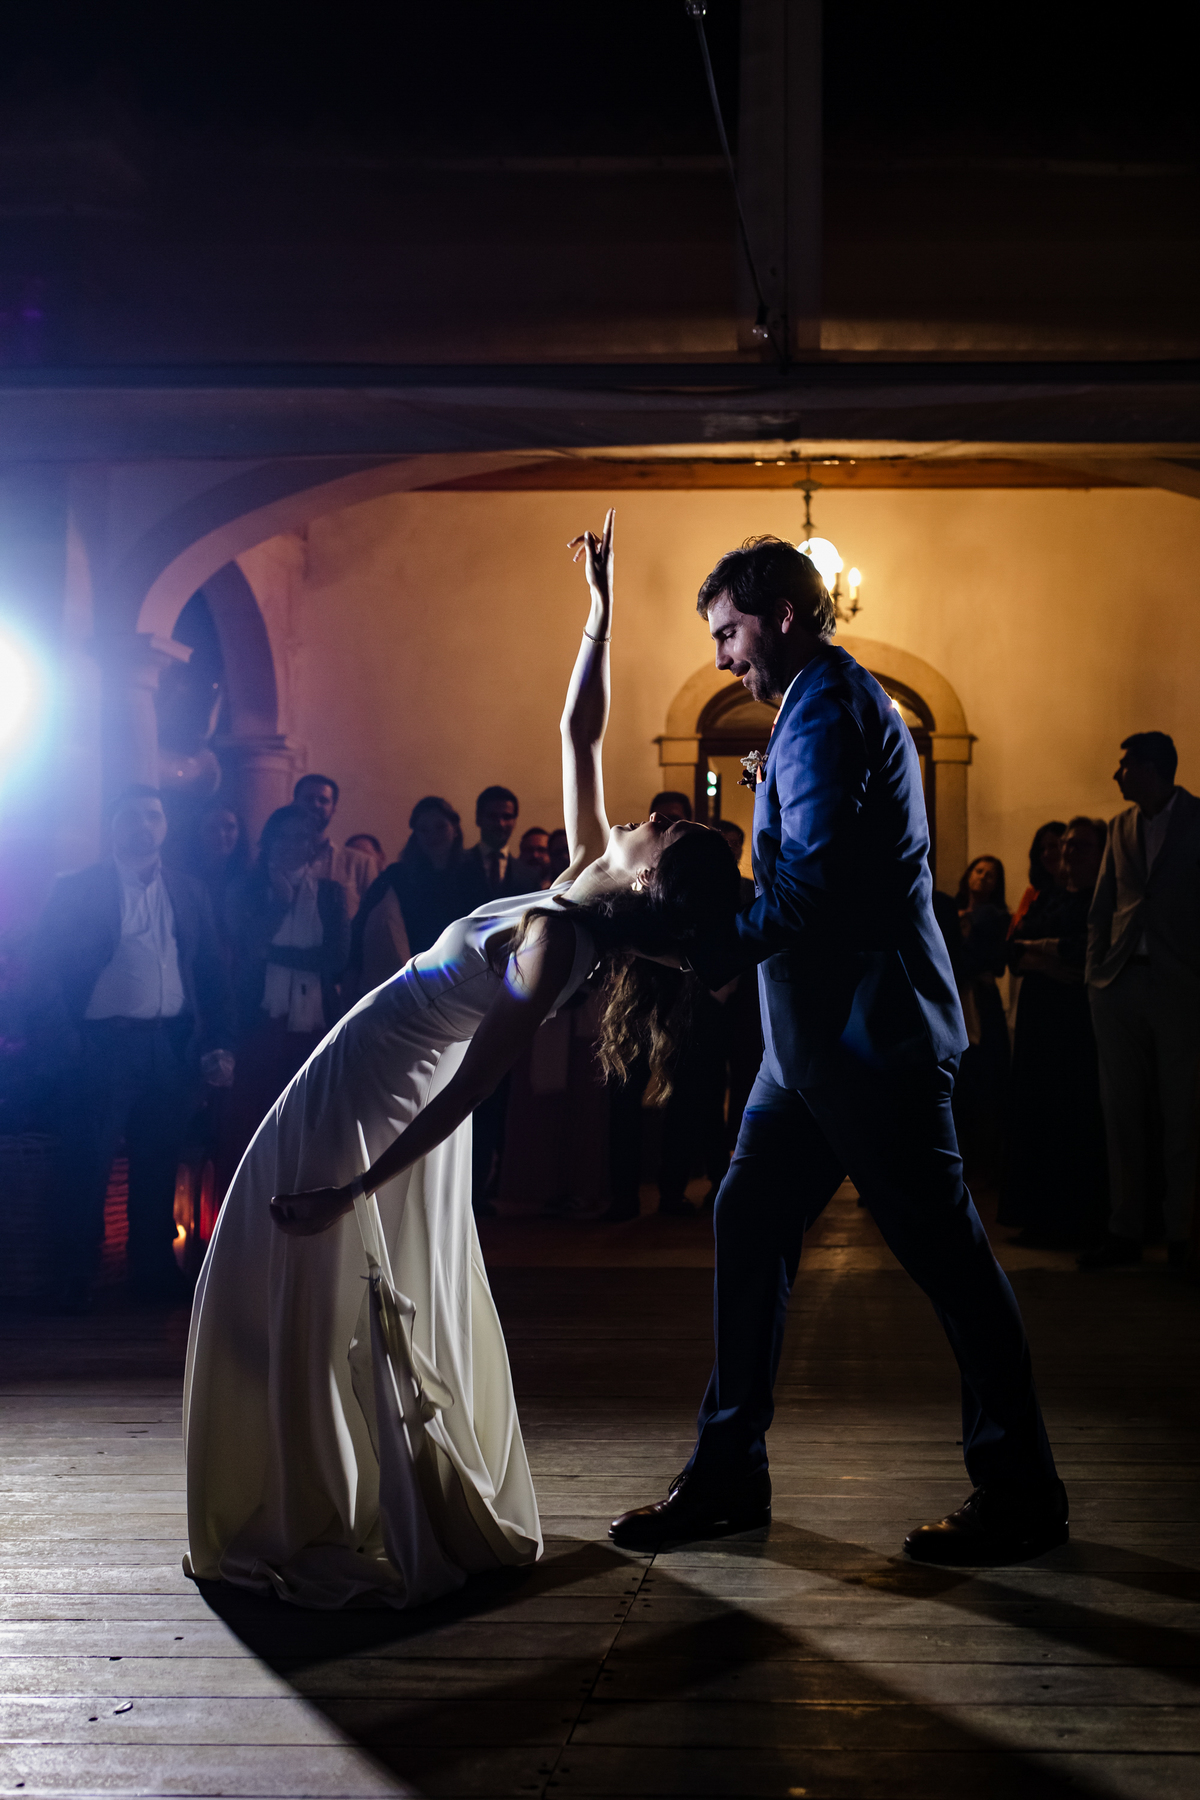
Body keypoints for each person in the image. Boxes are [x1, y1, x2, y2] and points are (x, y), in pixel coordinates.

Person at [183, 510, 742, 1610]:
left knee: (302, 1274)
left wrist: (357, 1183)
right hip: (373, 1065)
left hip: (380, 1089)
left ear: (649, 879)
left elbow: (479, 1082)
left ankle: (322, 1500)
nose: (651, 815)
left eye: (666, 830)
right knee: (291, 1281)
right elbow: (580, 732)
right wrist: (600, 612)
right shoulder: (582, 885)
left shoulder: (558, 941)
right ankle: (308, 1486)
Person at [609, 534, 1065, 1566]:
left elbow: (808, 893)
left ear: (782, 615)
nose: (722, 656)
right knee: (747, 1217)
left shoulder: (823, 710)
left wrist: (697, 947)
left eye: (729, 632)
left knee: (949, 1260)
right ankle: (728, 1474)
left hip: (869, 1040)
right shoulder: (821, 705)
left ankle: (1021, 1491)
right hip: (813, 1047)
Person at [31, 786, 235, 1310]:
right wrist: (67, 1042)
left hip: (170, 1045)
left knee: (159, 1161)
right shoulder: (79, 888)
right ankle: (74, 1277)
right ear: (113, 825)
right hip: (101, 1044)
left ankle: (152, 1272)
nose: (144, 825)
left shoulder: (188, 890)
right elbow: (44, 969)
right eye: (131, 816)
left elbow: (211, 973)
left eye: (153, 816)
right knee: (88, 1160)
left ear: (166, 825)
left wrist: (217, 1043)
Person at [1081, 732, 1200, 1271]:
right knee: (1121, 1113)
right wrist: (1095, 974)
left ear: (1152, 769)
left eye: (1125, 765)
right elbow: (1104, 905)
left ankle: (1183, 1234)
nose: (1117, 774)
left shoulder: (1196, 818)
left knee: (1183, 1115)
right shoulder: (1120, 826)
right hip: (1120, 982)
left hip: (1181, 986)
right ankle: (1124, 1229)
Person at [217, 806, 351, 1193]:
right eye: (285, 837)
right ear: (269, 842)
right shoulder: (244, 889)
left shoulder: (330, 893)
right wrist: (279, 902)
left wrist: (273, 954)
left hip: (314, 1024)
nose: (294, 845)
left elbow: (335, 959)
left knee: (309, 1124)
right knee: (252, 1121)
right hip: (257, 1021)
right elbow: (247, 947)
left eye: (302, 838)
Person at [1000, 817, 1108, 1249]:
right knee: (1036, 1112)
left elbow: (1084, 952)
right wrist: (1046, 956)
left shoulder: (1102, 898)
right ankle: (1039, 1216)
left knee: (1073, 1114)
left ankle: (1076, 1218)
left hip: (1075, 1021)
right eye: (1065, 846)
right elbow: (1010, 950)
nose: (1066, 853)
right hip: (1040, 1018)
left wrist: (1037, 952)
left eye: (1079, 846)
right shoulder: (1049, 897)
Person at [349, 797, 471, 997]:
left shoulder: (473, 876)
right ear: (416, 835)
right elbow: (360, 929)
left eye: (440, 827)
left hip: (461, 982)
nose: (433, 835)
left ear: (455, 829)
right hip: (408, 986)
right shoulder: (397, 877)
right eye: (424, 830)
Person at [949, 856, 1011, 1175]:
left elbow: (993, 961)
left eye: (991, 875)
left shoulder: (997, 916)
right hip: (954, 998)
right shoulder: (949, 909)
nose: (983, 877)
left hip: (980, 1003)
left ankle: (983, 1164)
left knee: (983, 1078)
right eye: (979, 871)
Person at [292, 774, 376, 920]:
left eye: (323, 800)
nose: (315, 805)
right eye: (308, 799)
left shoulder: (360, 864)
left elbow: (373, 920)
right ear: (294, 805)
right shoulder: (274, 860)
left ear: (333, 809)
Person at [460, 786, 543, 904]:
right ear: (478, 818)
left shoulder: (529, 876)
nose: (500, 823)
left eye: (507, 817)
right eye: (492, 816)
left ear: (514, 821)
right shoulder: (455, 865)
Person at [1008, 822, 1066, 938]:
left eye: (1053, 846)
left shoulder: (1081, 894)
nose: (1046, 854)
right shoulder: (1042, 895)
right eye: (1042, 849)